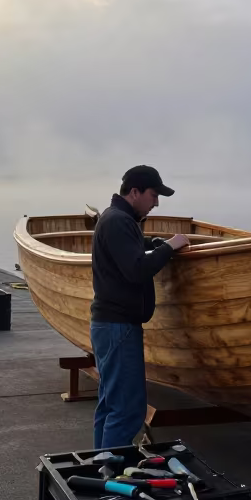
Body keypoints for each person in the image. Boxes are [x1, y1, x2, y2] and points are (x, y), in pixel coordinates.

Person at [90, 165, 189, 451]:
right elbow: (136, 269)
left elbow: (129, 248)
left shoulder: (116, 219)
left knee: (110, 404)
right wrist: (170, 247)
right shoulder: (119, 221)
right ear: (135, 192)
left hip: (108, 325)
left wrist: (153, 243)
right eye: (153, 194)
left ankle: (101, 468)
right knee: (127, 410)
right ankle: (111, 479)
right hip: (118, 327)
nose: (156, 203)